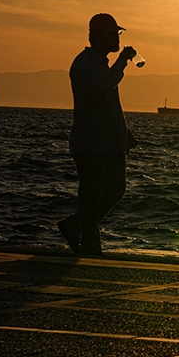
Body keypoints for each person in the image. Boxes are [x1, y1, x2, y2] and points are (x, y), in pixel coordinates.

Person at [57, 13, 138, 256]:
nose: (117, 39)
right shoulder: (84, 63)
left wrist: (124, 133)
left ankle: (75, 226)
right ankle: (90, 247)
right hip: (91, 142)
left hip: (110, 142)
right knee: (90, 197)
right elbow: (100, 89)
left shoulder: (101, 64)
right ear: (99, 36)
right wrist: (122, 61)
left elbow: (108, 105)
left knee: (115, 190)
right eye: (114, 34)